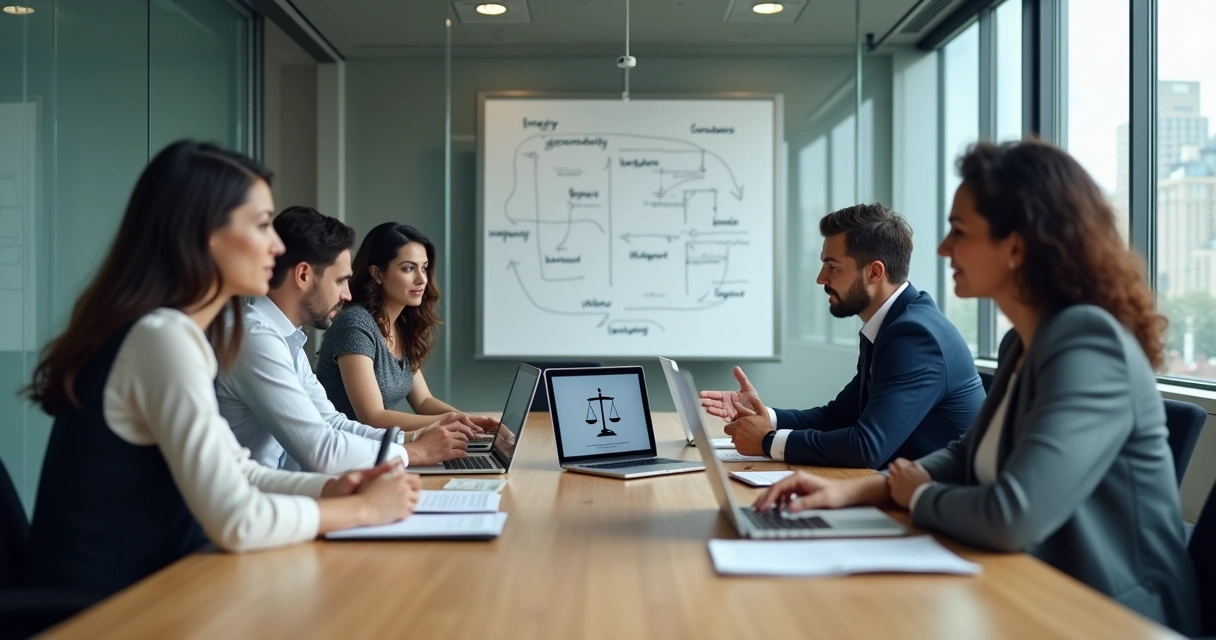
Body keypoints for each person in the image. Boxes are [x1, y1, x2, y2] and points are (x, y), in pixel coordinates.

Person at [755, 140, 1200, 634]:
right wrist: (859, 492)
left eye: (959, 231)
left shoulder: (1089, 347)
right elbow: (969, 453)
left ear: (1016, 246)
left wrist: (914, 496)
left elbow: (1013, 513)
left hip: (1105, 615)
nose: (944, 248)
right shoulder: (1021, 342)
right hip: (1030, 585)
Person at [24, 141, 421, 596]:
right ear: (203, 233)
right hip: (110, 611)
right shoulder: (161, 338)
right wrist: (362, 511)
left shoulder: (172, 332)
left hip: (151, 586)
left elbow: (240, 473)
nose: (276, 245)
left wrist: (330, 491)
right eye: (261, 225)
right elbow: (237, 518)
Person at [700, 204, 984, 469]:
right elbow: (837, 417)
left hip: (935, 506)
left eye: (833, 267)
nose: (821, 278)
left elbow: (867, 447)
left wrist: (767, 441)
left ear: (874, 272)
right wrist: (763, 415)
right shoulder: (890, 325)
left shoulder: (913, 336)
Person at [216, 206, 478, 473]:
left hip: (284, 490)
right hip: (257, 502)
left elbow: (332, 422)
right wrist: (414, 451)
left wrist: (412, 439)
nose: (347, 295)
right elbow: (322, 451)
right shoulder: (256, 338)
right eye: (340, 281)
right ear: (303, 275)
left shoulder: (288, 339)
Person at [316, 223, 499, 433]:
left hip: (378, 449)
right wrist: (452, 421)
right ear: (377, 273)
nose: (422, 279)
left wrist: (472, 422)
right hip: (346, 453)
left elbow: (423, 401)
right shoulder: (354, 324)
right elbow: (372, 417)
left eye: (424, 268)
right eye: (408, 268)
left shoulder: (400, 324)